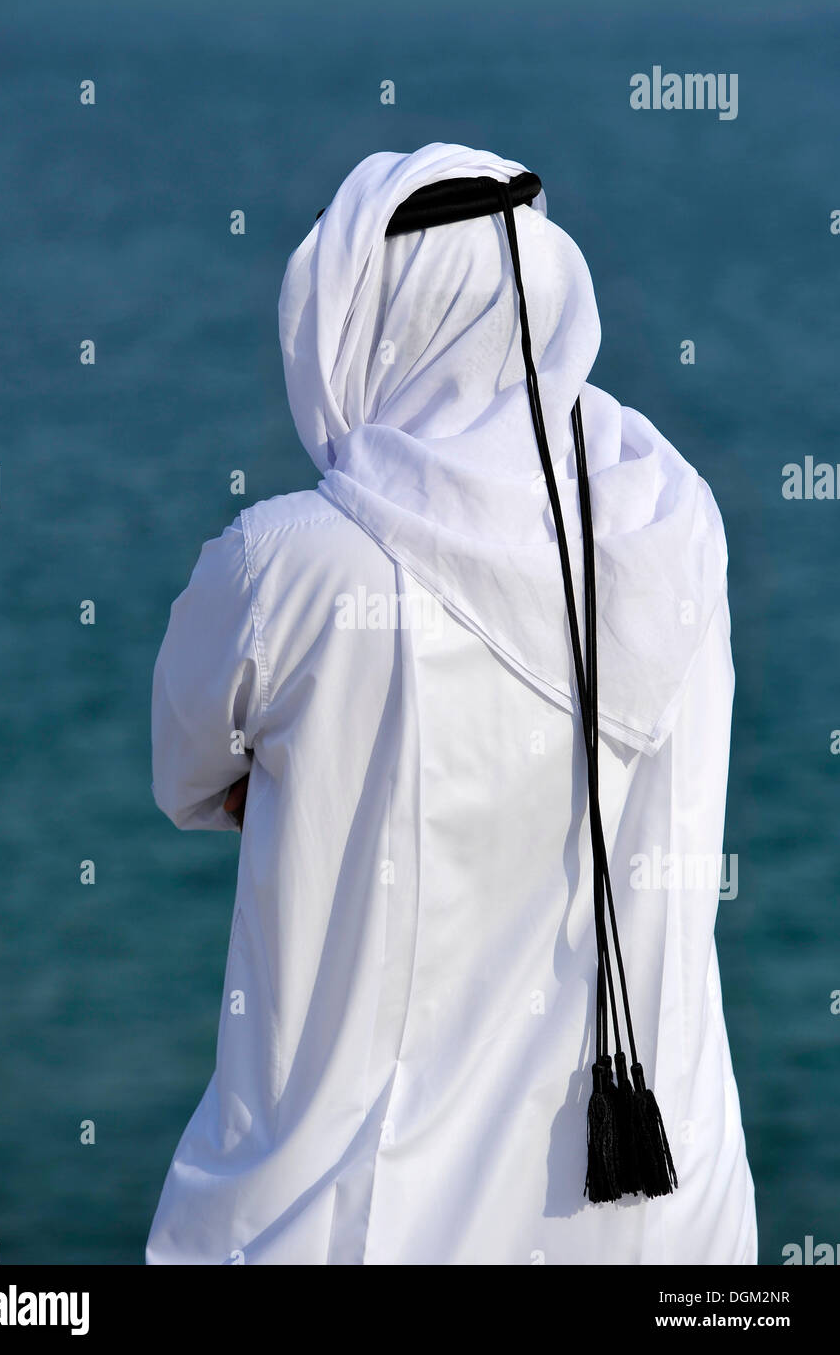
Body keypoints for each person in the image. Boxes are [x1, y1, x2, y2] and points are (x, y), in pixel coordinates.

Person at [145, 142, 756, 1265]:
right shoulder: (672, 521)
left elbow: (187, 773)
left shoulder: (288, 563)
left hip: (363, 1229)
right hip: (664, 1222)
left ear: (347, 325)